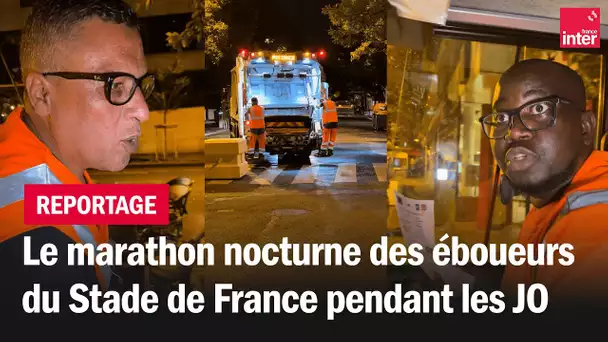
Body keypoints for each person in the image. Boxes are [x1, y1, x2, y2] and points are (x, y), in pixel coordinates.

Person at [0, 0, 153, 316]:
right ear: (42, 94)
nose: (143, 111)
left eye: (139, 85)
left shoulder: (36, 155)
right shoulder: (40, 253)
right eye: (115, 84)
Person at [481, 58, 608, 307]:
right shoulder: (553, 202)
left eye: (539, 109)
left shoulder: (596, 224)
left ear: (585, 127)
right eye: (502, 117)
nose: (514, 131)